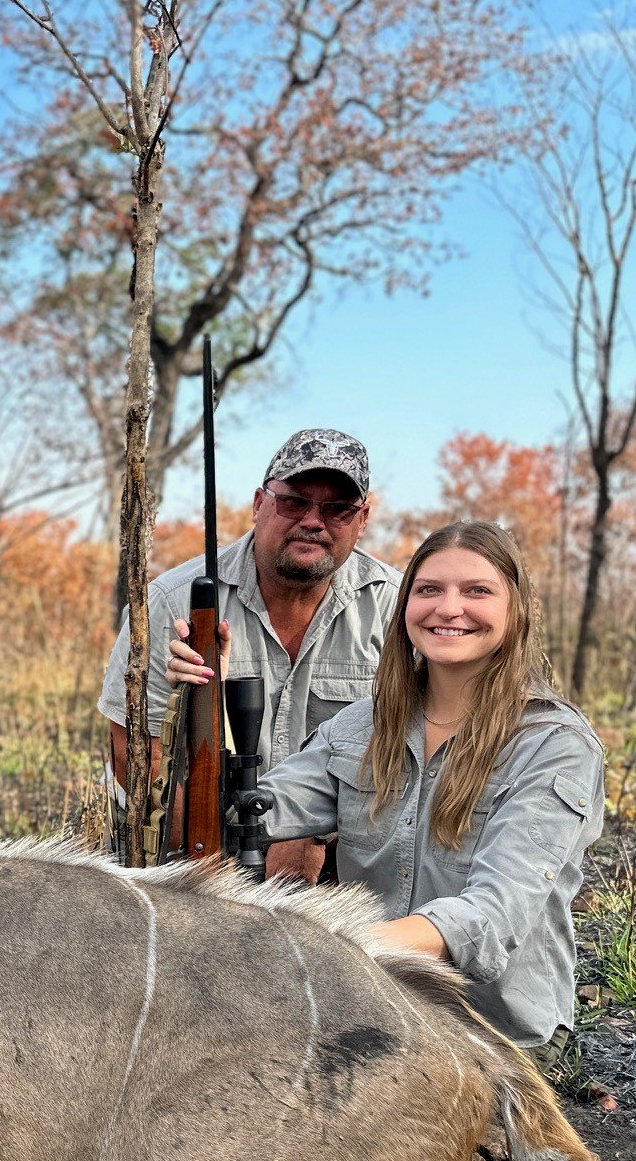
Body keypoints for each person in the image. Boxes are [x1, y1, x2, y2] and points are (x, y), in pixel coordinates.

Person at [173, 521, 603, 1054]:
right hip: (372, 1016)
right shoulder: (362, 726)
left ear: (516, 611)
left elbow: (490, 917)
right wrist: (199, 698)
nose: (449, 608)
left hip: (495, 1038)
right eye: (429, 590)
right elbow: (245, 812)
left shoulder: (555, 745)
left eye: (477, 591)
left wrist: (332, 946)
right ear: (405, 609)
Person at [100, 428, 401, 881]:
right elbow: (133, 749)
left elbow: (417, 751)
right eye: (294, 502)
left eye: (338, 509)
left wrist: (309, 835)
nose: (313, 521)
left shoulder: (398, 608)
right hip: (192, 850)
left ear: (362, 521)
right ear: (259, 504)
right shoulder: (173, 601)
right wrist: (211, 862)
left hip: (339, 857)